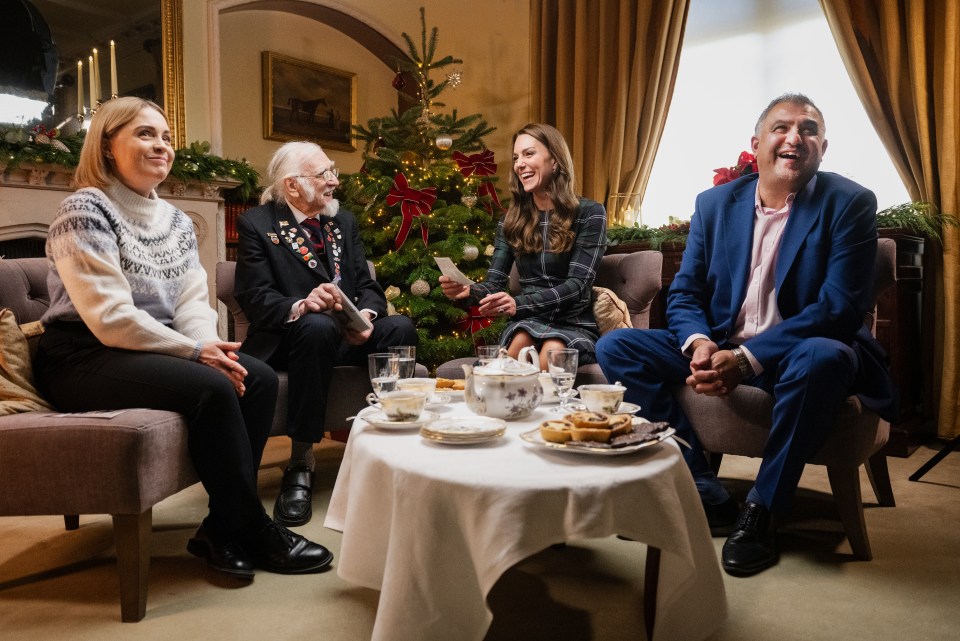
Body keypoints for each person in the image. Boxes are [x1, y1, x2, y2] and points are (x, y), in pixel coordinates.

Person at [596, 93, 896, 577]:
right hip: (722, 342)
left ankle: (761, 511)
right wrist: (699, 344)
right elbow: (686, 291)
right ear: (756, 144)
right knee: (617, 345)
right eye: (781, 128)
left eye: (808, 129)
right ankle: (701, 489)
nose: (794, 137)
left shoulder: (849, 203)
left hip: (801, 352)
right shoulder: (714, 204)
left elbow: (838, 310)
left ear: (823, 148)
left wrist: (746, 358)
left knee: (823, 356)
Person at [33, 97, 333, 580]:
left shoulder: (175, 221)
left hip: (150, 348)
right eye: (145, 134)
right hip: (80, 354)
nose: (161, 145)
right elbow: (108, 315)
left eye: (166, 137)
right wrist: (195, 353)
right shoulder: (84, 208)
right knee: (213, 386)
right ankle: (252, 526)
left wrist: (210, 347)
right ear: (108, 147)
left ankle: (220, 527)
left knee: (252, 376)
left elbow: (193, 302)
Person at [234, 141, 417, 527]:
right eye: (324, 174)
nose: (335, 180)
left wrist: (363, 316)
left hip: (344, 337)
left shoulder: (342, 221)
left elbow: (366, 284)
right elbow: (255, 298)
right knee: (316, 325)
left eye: (333, 170)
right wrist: (304, 304)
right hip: (292, 341)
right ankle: (300, 463)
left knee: (399, 326)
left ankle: (398, 448)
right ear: (293, 185)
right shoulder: (257, 223)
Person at [440, 123, 606, 371]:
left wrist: (519, 304)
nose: (519, 164)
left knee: (554, 350)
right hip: (527, 321)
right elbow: (494, 283)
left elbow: (577, 286)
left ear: (555, 161)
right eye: (516, 157)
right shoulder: (510, 220)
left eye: (529, 154)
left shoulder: (590, 213)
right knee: (519, 342)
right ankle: (503, 407)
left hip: (572, 322)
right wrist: (468, 291)